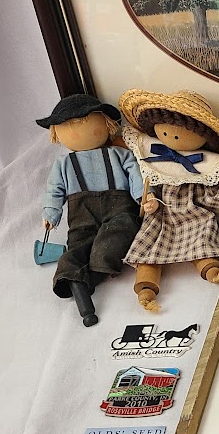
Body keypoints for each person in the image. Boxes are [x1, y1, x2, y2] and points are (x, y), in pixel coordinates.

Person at [119, 90, 219, 313]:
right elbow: (127, 145)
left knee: (200, 230)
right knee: (151, 241)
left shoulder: (205, 158)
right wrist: (149, 198)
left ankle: (210, 268)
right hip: (163, 207)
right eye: (165, 131)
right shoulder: (150, 147)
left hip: (195, 203)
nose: (172, 137)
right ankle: (146, 286)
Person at [37, 94, 145, 326]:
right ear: (57, 134)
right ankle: (71, 274)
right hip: (81, 212)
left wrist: (143, 198)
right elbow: (54, 189)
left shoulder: (120, 154)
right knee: (78, 242)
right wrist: (51, 212)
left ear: (108, 124)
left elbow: (136, 176)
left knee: (119, 231)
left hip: (119, 207)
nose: (79, 134)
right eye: (70, 129)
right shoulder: (63, 164)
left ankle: (87, 277)